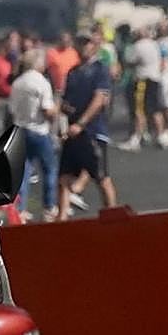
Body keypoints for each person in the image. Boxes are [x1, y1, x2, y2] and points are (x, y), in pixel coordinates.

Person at [57, 34, 117, 220]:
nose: (83, 46)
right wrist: (65, 111)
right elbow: (65, 100)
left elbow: (99, 99)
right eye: (80, 42)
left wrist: (81, 123)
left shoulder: (100, 69)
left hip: (92, 131)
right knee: (64, 177)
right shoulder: (73, 72)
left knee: (101, 177)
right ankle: (62, 217)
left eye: (87, 42)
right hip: (73, 131)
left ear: (95, 45)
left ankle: (112, 215)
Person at [8, 48, 59, 221]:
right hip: (38, 129)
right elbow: (47, 110)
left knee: (24, 171)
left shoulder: (17, 83)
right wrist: (56, 112)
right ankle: (49, 206)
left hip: (21, 128)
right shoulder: (41, 82)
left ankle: (21, 209)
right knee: (49, 168)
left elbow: (12, 109)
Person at [119, 27, 164, 151]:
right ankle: (160, 135)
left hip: (142, 79)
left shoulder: (138, 46)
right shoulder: (155, 44)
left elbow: (130, 60)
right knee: (155, 108)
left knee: (140, 109)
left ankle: (136, 137)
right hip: (155, 78)